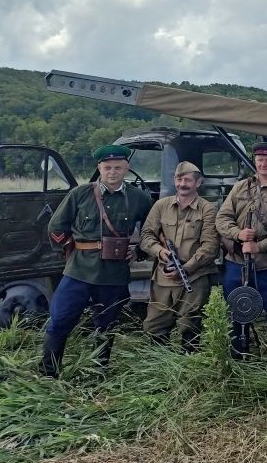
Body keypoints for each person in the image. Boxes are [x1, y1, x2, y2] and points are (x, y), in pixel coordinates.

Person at [42, 144, 153, 377]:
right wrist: (69, 249)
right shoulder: (80, 194)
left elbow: (152, 230)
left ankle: (99, 373)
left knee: (106, 325)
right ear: (99, 168)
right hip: (79, 270)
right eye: (107, 167)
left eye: (118, 167)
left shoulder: (139, 198)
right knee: (60, 320)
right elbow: (56, 227)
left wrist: (140, 251)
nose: (113, 172)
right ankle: (49, 373)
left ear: (127, 169)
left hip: (114, 273)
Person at [216, 142, 267, 364]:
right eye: (260, 158)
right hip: (237, 261)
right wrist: (238, 234)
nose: (263, 163)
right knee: (236, 309)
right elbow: (222, 219)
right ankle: (239, 359)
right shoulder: (240, 187)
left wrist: (259, 246)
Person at [140, 161, 220, 352]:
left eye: (187, 180)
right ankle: (161, 366)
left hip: (194, 276)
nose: (182, 184)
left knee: (189, 324)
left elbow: (210, 246)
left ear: (198, 183)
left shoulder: (207, 209)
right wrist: (159, 251)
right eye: (178, 179)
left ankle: (189, 364)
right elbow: (146, 235)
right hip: (163, 277)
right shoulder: (161, 205)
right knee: (155, 324)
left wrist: (186, 268)